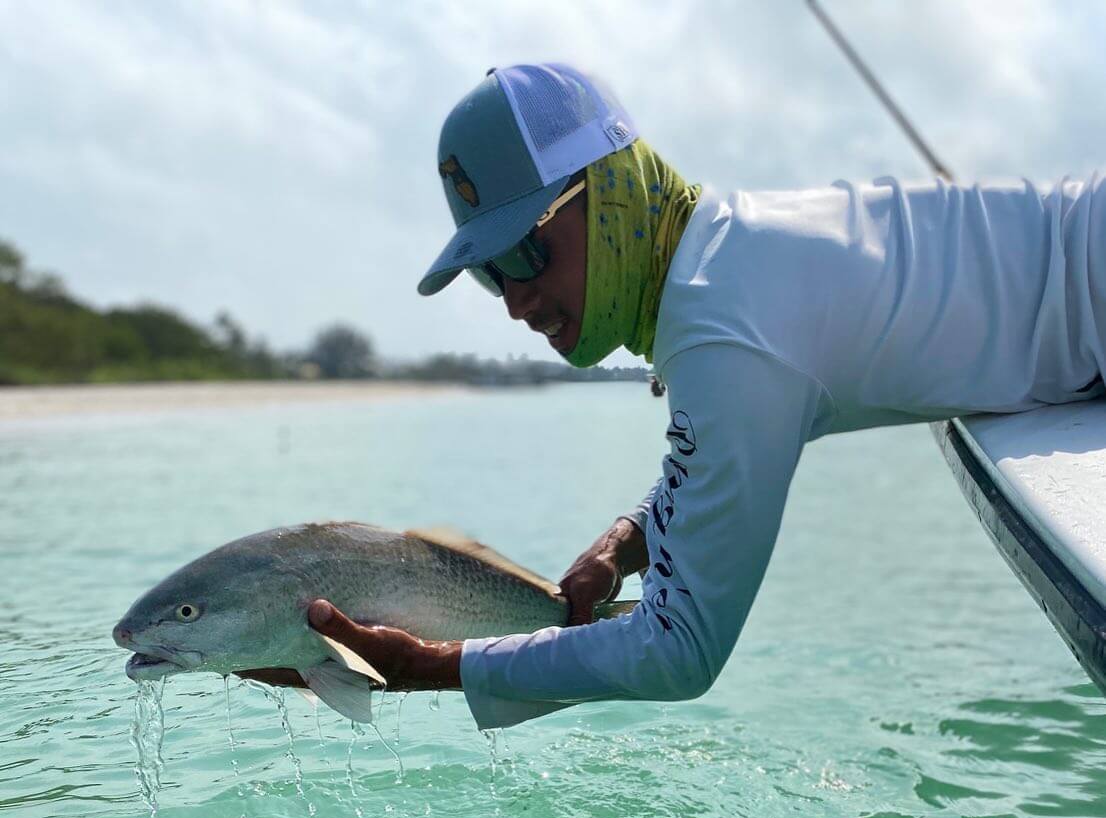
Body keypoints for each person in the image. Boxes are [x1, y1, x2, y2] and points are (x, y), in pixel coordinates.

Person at [255, 62, 1106, 729]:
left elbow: (681, 648)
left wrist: (431, 665)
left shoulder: (720, 327)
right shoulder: (729, 253)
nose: (513, 298)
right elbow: (719, 440)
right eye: (488, 271)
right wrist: (630, 539)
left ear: (609, 191)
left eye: (524, 253)